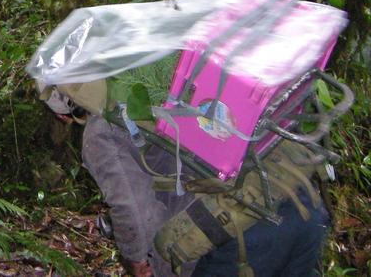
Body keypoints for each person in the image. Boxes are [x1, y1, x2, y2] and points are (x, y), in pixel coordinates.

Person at [45, 89, 330, 277]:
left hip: (233, 232)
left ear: (62, 108)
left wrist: (139, 261)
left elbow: (134, 209)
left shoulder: (101, 129)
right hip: (297, 203)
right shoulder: (168, 79)